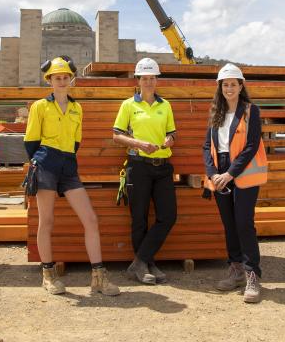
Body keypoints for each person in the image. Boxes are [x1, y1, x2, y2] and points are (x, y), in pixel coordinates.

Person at [24, 56, 120, 296]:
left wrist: (65, 161)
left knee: (90, 219)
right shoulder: (39, 107)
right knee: (46, 221)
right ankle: (48, 275)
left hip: (69, 164)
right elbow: (30, 141)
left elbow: (76, 141)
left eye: (66, 77)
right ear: (50, 81)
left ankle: (98, 277)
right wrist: (40, 163)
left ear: (71, 80)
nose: (62, 81)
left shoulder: (77, 108)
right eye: (58, 78)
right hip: (46, 162)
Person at [202, 63, 267, 303]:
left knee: (243, 223)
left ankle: (252, 274)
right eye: (225, 84)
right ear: (220, 87)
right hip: (219, 172)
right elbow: (207, 146)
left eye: (233, 84)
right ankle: (236, 270)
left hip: (242, 172)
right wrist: (212, 173)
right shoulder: (215, 112)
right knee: (229, 224)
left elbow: (251, 146)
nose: (229, 88)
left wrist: (229, 173)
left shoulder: (251, 111)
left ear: (241, 86)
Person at [112, 58, 177, 285]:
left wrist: (170, 140)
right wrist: (139, 144)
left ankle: (139, 263)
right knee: (139, 219)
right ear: (138, 80)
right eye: (145, 78)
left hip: (162, 168)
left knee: (168, 216)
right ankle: (147, 265)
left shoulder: (165, 105)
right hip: (138, 166)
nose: (149, 82)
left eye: (152, 78)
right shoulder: (129, 105)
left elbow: (172, 134)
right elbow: (116, 135)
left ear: (156, 80)